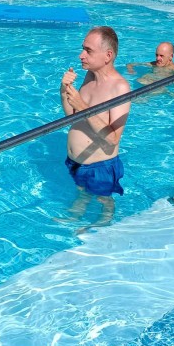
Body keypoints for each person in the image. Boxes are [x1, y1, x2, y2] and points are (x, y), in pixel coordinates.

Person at [59, 26, 131, 228]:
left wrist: (83, 106)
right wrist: (64, 90)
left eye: (88, 51)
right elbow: (72, 117)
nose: (81, 55)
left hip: (99, 167)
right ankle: (76, 216)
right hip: (76, 162)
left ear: (108, 55)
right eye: (83, 48)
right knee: (82, 192)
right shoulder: (89, 76)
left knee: (104, 201)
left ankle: (101, 227)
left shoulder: (119, 88)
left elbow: (113, 139)